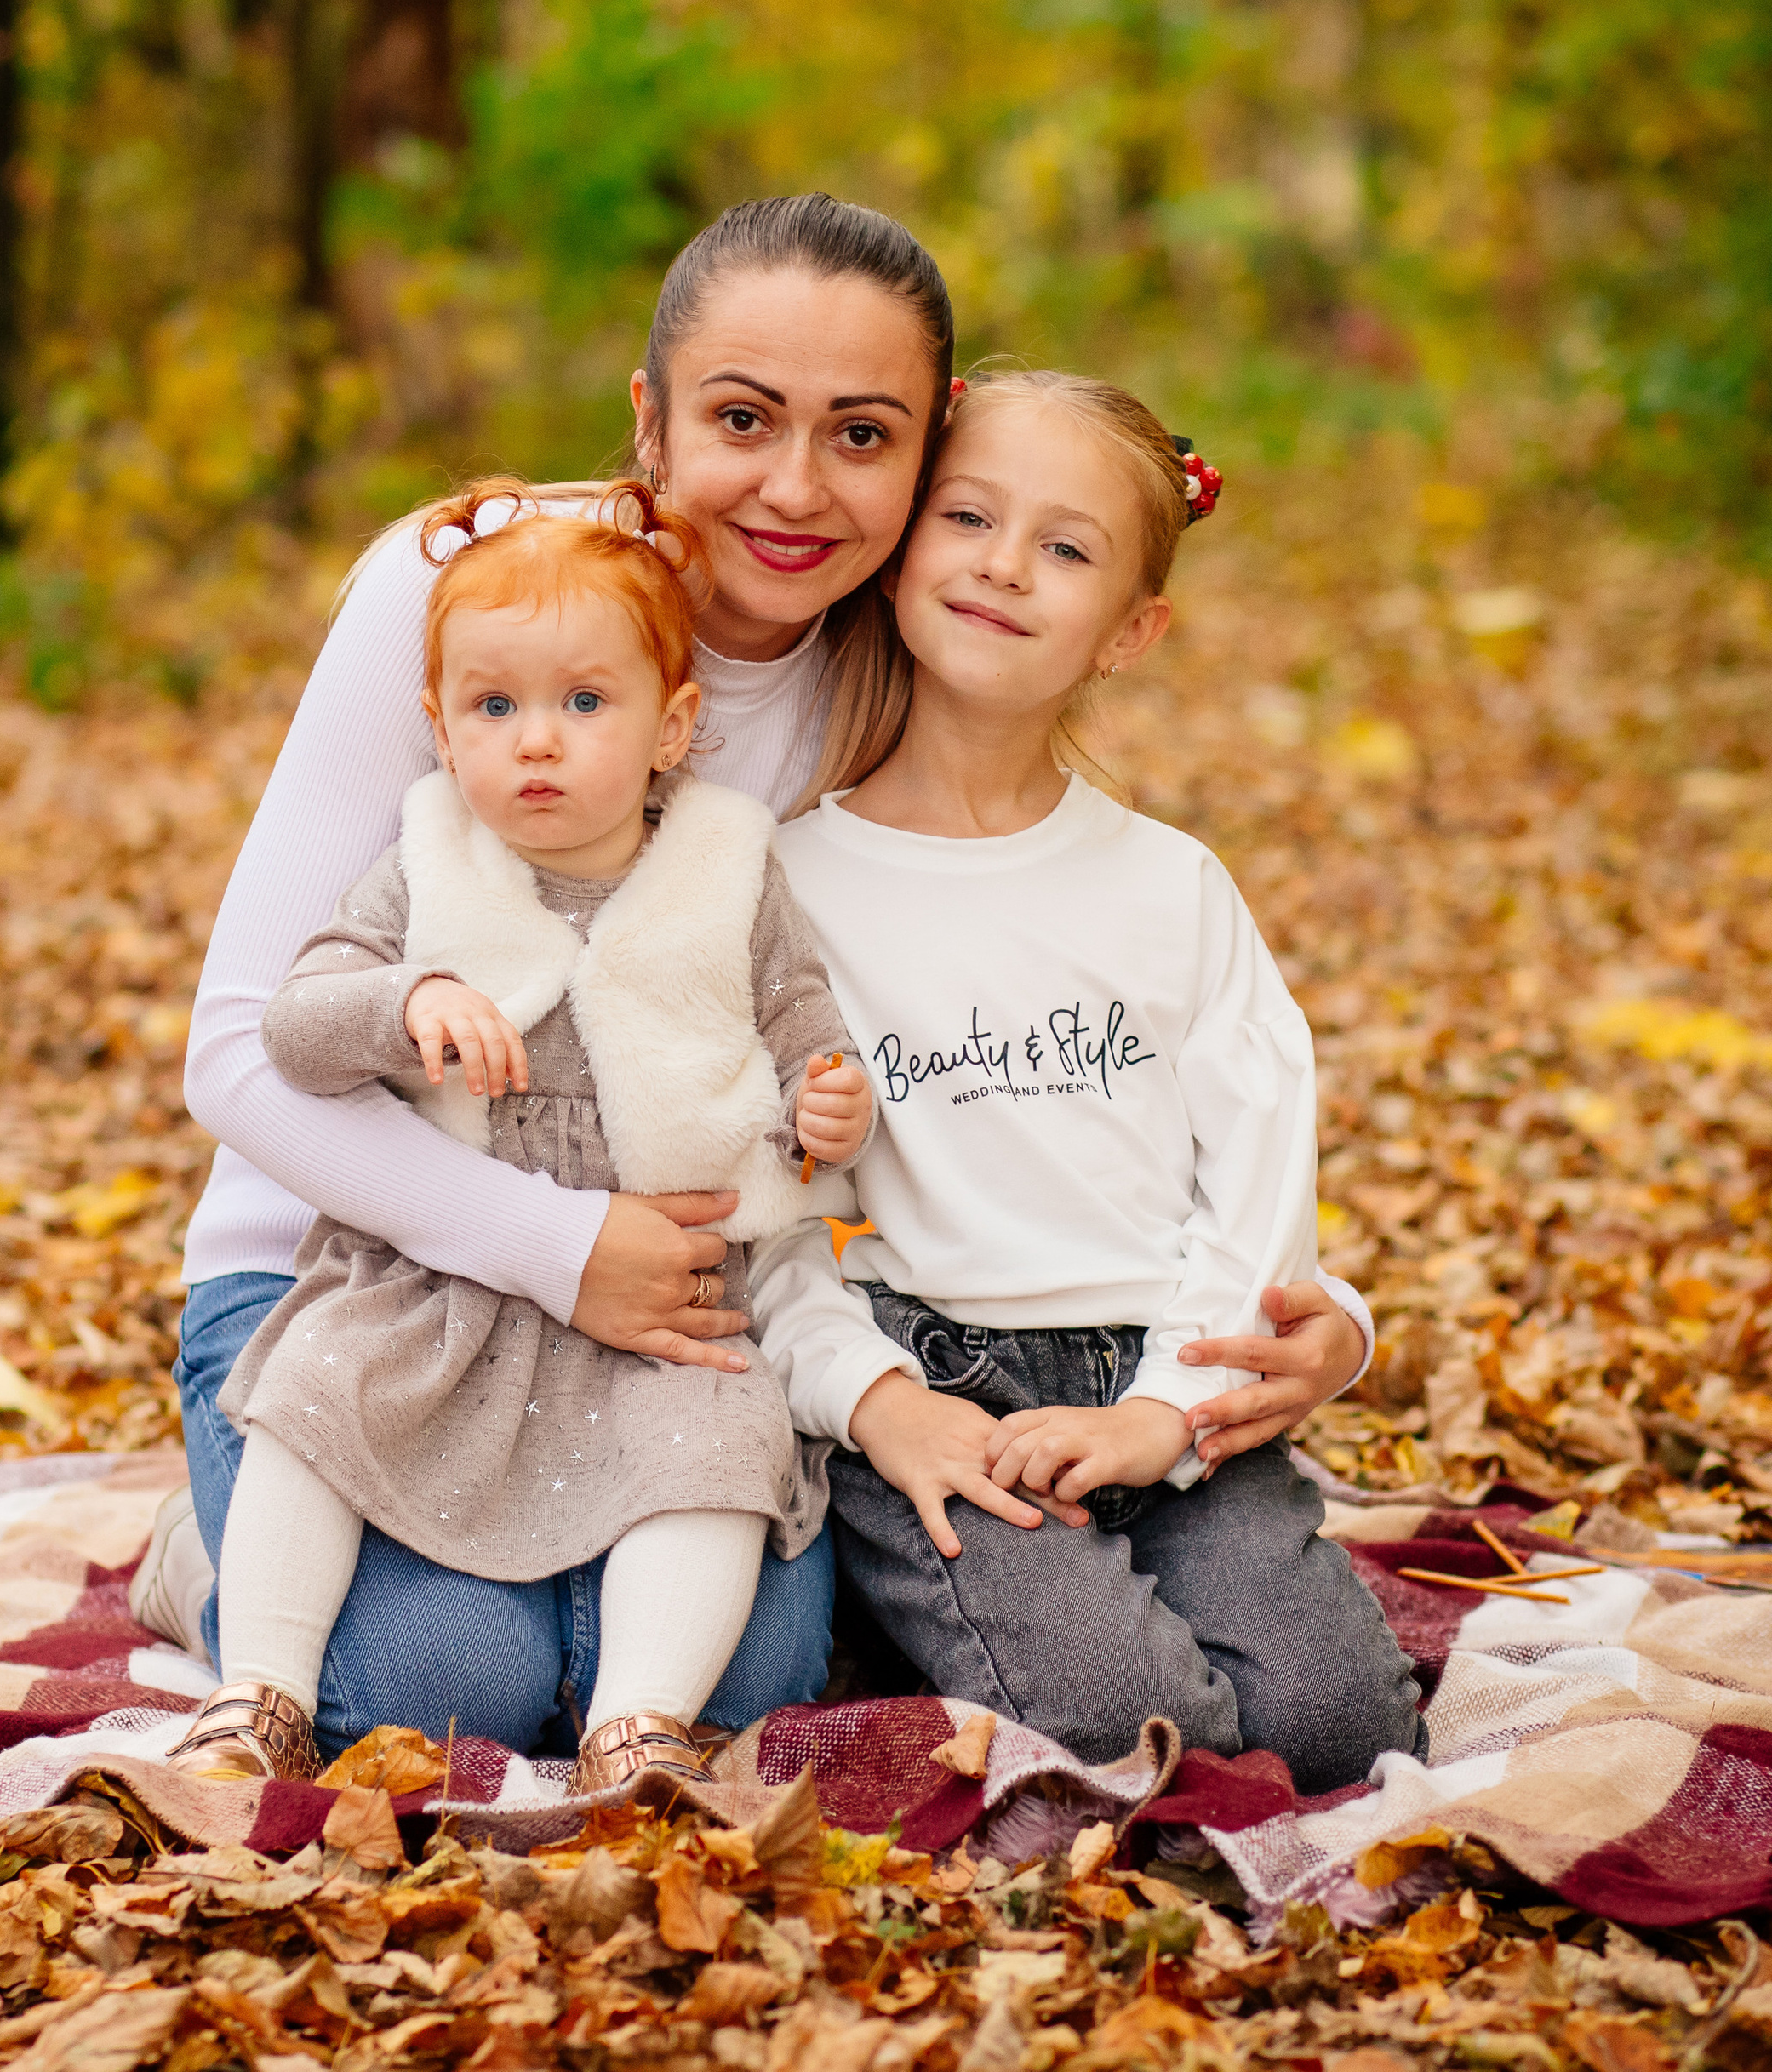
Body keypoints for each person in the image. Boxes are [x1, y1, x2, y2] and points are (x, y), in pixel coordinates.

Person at [134, 194, 1376, 1754]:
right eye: (742, 419)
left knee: (733, 1691)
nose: (797, 488)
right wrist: (559, 1244)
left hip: (696, 1311)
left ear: (928, 461)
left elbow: (1016, 1049)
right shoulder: (480, 600)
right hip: (367, 1270)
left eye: (863, 437)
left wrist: (1313, 1309)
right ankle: (213, 1556)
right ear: (648, 422)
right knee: (437, 1700)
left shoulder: (895, 649)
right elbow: (239, 1053)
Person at [763, 369, 1422, 1791]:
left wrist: (1165, 1411)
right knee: (1135, 1733)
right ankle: (917, 1612)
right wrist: (871, 1396)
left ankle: (992, 1622)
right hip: (941, 1394)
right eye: (970, 518)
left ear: (1131, 632)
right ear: (896, 558)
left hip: (1161, 1380)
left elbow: (1254, 1181)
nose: (1005, 565)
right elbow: (765, 1208)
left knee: (1339, 1731)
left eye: (1065, 548)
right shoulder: (790, 882)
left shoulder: (1167, 887)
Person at [164, 480, 872, 1787]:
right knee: (323, 1399)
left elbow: (798, 1017)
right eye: (494, 710)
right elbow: (292, 1028)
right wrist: (407, 1001)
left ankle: (638, 1722)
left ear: (675, 729)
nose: (535, 745)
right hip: (431, 1281)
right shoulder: (430, 861)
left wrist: (827, 1097)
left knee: (721, 1450)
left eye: (583, 706)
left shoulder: (729, 860)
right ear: (438, 729)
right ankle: (255, 1685)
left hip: (668, 1298)